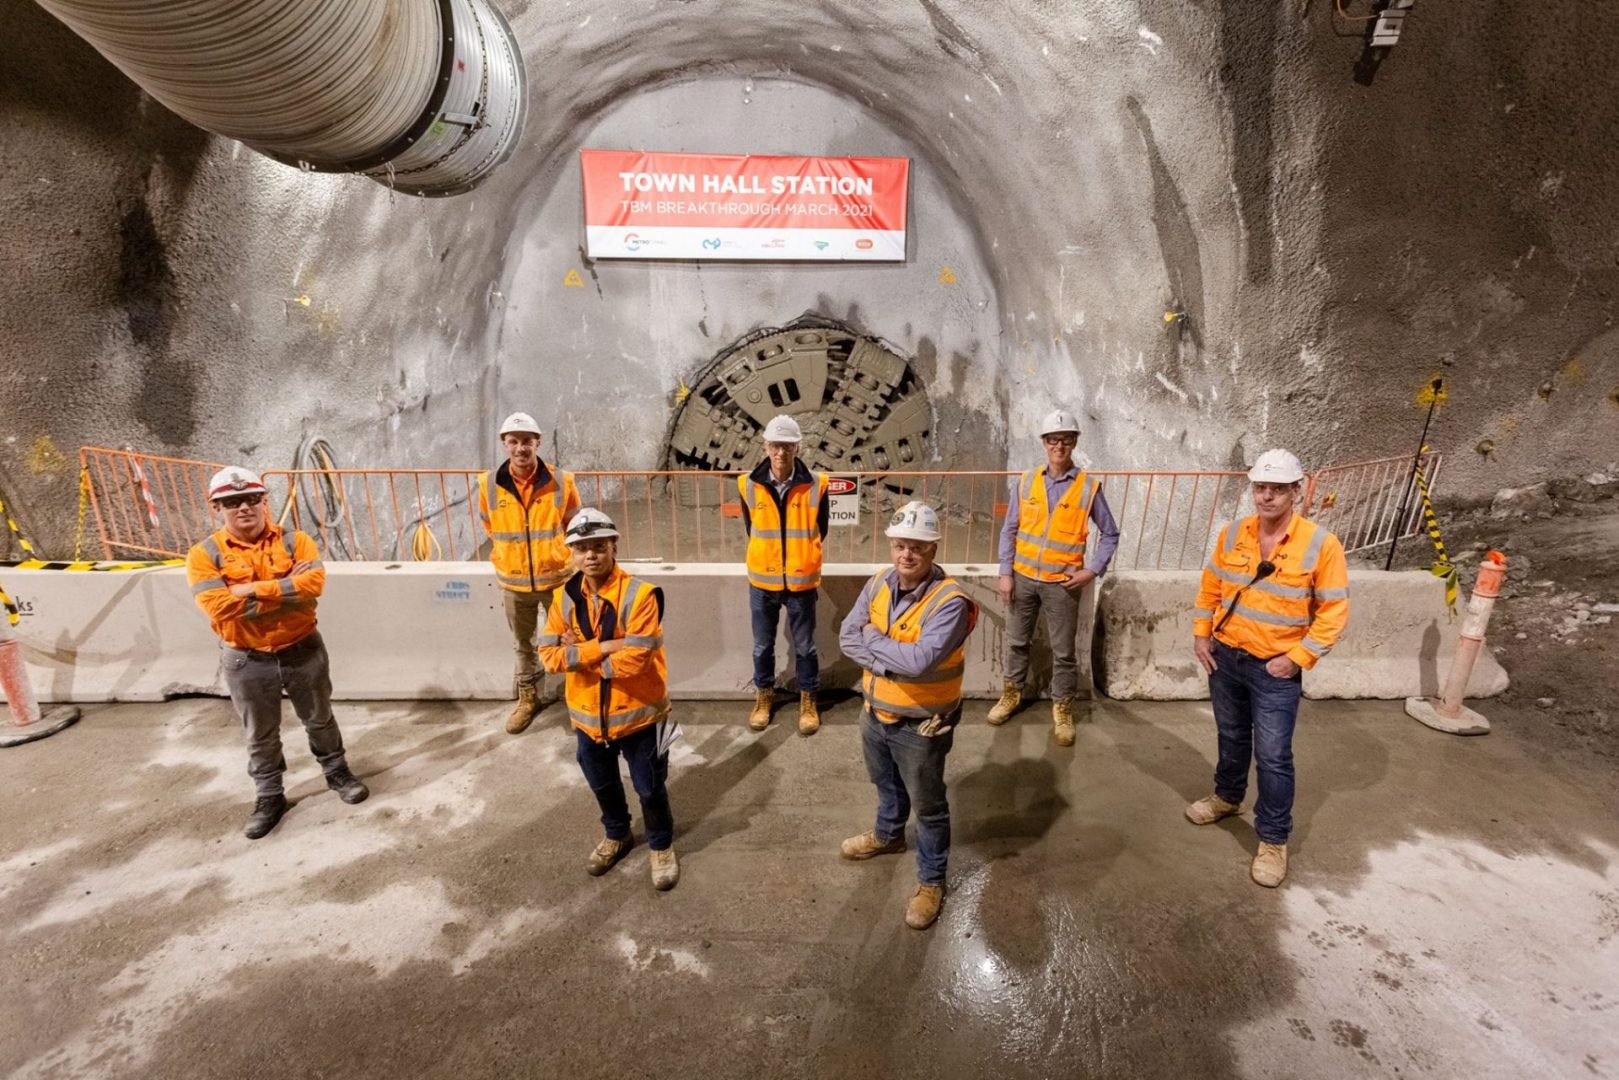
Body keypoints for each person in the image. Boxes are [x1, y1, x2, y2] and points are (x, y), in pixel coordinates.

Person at [1187, 448, 1350, 887]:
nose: (1267, 496)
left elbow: (1333, 611)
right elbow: (1210, 588)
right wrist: (1203, 635)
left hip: (1275, 670)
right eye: (1261, 487)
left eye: (1278, 489)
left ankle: (1273, 840)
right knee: (1231, 735)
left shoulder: (1320, 544)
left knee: (1275, 756)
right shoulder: (1232, 534)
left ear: (1295, 492)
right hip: (1227, 656)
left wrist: (1297, 659)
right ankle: (1227, 796)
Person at [186, 466, 368, 839]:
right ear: (216, 508)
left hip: (303, 648)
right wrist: (286, 589)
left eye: (252, 499)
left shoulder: (295, 540)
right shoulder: (203, 554)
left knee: (319, 718)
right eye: (232, 502)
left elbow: (313, 584)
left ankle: (337, 773)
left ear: (264, 502)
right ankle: (270, 796)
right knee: (260, 734)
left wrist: (248, 590)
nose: (244, 508)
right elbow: (219, 607)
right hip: (246, 658)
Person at [838, 501, 979, 930]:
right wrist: (885, 657)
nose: (906, 555)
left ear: (933, 550)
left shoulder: (950, 602)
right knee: (885, 784)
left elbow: (920, 662)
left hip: (921, 724)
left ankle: (932, 881)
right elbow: (848, 636)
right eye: (900, 546)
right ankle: (888, 835)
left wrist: (874, 642)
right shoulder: (880, 581)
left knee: (929, 805)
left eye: (917, 547)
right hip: (875, 711)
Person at [538, 507, 680, 891]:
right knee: (602, 784)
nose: (591, 556)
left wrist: (581, 653)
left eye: (598, 546)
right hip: (587, 719)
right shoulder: (562, 597)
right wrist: (604, 646)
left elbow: (636, 658)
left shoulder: (643, 595)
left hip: (643, 717)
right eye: (582, 548)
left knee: (650, 786)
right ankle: (616, 834)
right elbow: (549, 657)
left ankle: (661, 845)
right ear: (572, 553)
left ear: (614, 546)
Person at [988, 409, 1120, 745]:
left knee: (1063, 652)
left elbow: (1110, 533)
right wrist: (1006, 572)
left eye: (1065, 439)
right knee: (1017, 642)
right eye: (1053, 440)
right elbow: (1010, 529)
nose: (1059, 445)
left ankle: (1062, 707)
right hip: (1023, 578)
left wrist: (1091, 571)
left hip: (1062, 584)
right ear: (1044, 444)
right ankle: (1011, 694)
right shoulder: (1028, 480)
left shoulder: (1088, 487)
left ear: (1074, 442)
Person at [477, 411, 580, 735]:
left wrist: (556, 557)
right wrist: (513, 558)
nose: (520, 448)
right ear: (505, 444)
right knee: (524, 644)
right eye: (514, 442)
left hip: (558, 581)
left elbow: (575, 526)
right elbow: (490, 525)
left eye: (526, 441)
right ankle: (528, 699)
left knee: (570, 639)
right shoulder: (488, 484)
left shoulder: (562, 481)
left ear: (538, 442)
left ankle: (576, 698)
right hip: (514, 582)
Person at [737, 414, 831, 735]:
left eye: (787, 446)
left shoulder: (818, 484)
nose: (780, 453)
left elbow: (822, 528)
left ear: (798, 448)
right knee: (762, 646)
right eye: (775, 445)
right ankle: (764, 696)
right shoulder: (747, 483)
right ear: (766, 446)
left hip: (801, 581)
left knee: (805, 646)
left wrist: (800, 558)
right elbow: (752, 528)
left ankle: (808, 700)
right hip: (762, 581)